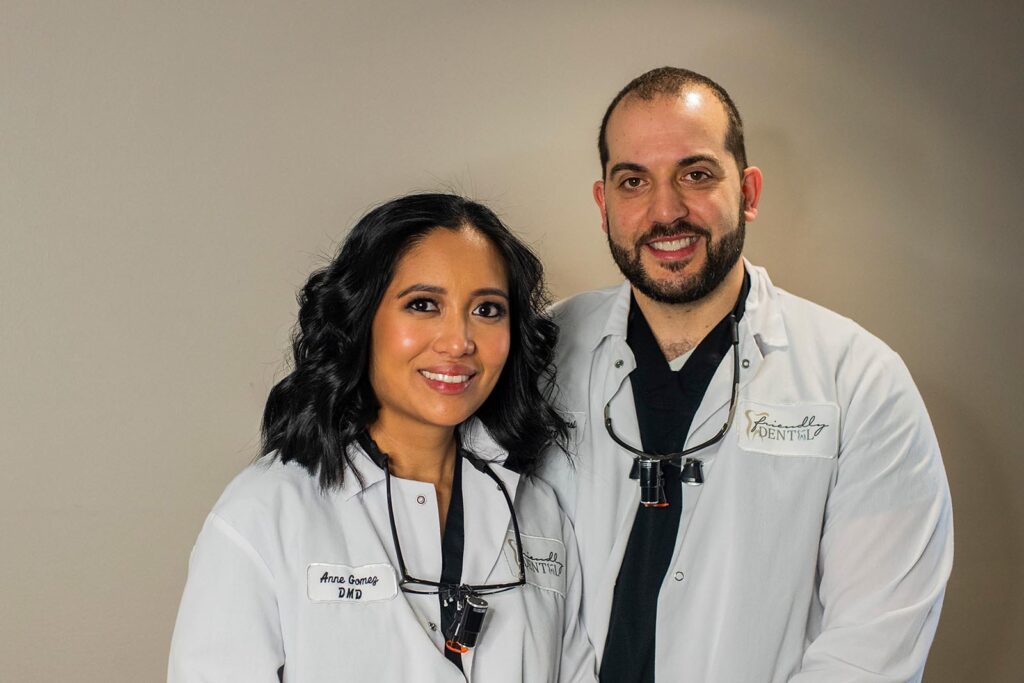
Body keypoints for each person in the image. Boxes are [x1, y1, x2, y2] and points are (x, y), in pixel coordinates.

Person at [538, 67, 954, 681]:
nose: (666, 210)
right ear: (604, 206)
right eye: (633, 181)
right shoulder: (539, 356)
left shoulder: (858, 380)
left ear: (749, 192)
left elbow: (873, 645)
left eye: (696, 174)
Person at [168, 193, 597, 682]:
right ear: (361, 318)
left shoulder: (540, 514)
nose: (458, 341)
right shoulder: (265, 512)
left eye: (487, 309)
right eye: (423, 305)